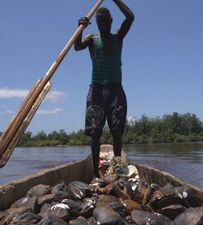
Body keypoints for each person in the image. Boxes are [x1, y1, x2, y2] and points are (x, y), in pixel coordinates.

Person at [74, 0, 134, 178]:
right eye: (99, 22)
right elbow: (77, 47)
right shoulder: (92, 39)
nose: (102, 25)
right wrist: (80, 28)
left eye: (106, 21)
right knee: (95, 134)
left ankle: (116, 171)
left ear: (111, 21)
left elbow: (130, 16)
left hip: (116, 91)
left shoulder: (118, 37)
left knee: (117, 132)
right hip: (97, 92)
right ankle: (95, 174)